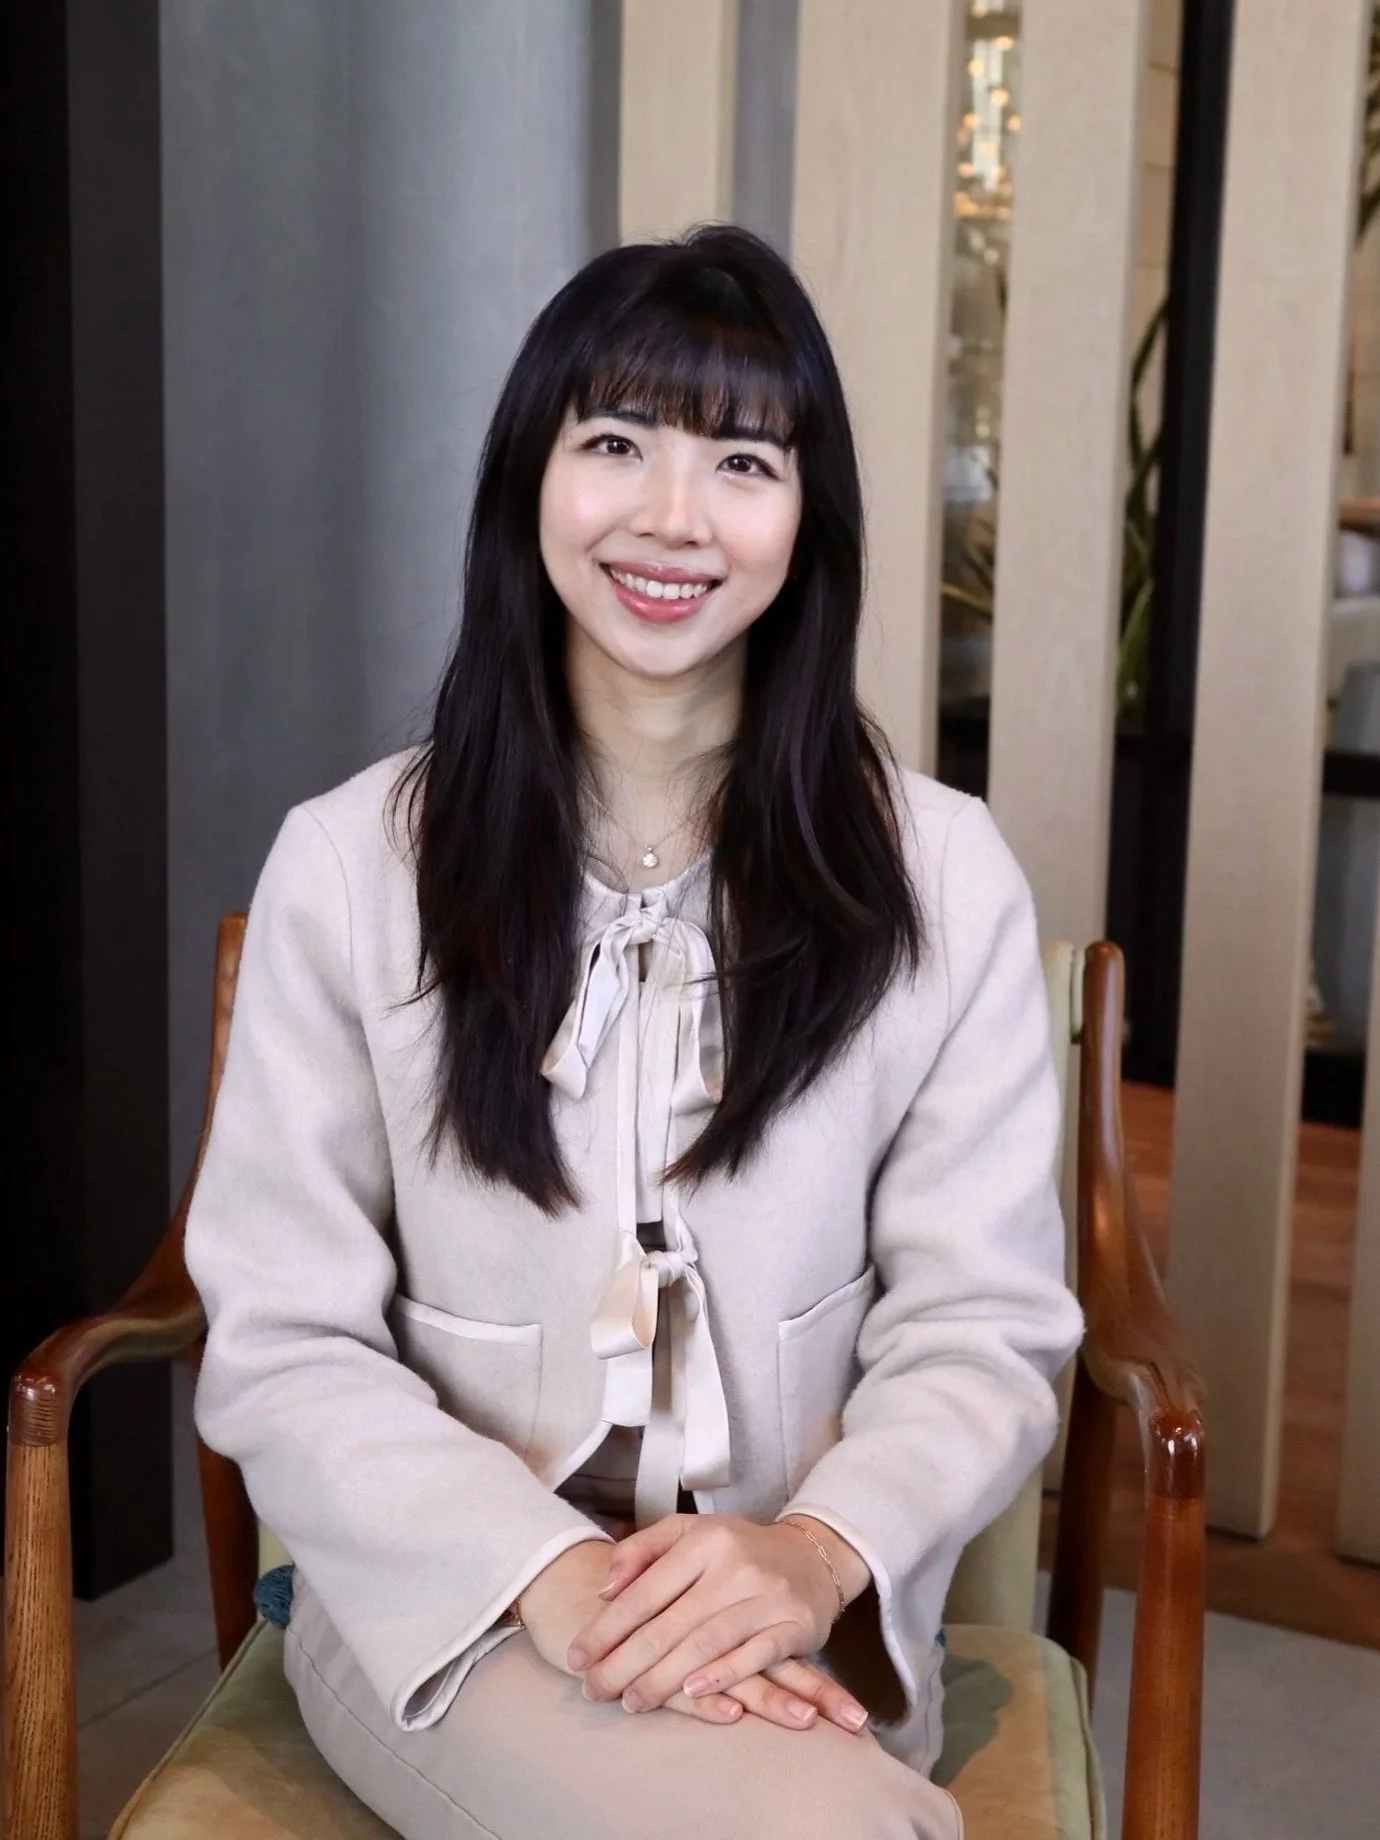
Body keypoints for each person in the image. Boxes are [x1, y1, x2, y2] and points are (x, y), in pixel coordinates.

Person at [186, 224, 1083, 1840]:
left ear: (808, 521)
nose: (674, 518)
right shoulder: (354, 867)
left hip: (791, 1612)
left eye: (743, 460)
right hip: (450, 1614)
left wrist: (806, 1563)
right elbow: (283, 1337)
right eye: (616, 445)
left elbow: (986, 1326)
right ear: (531, 478)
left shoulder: (941, 876)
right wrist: (558, 1578)